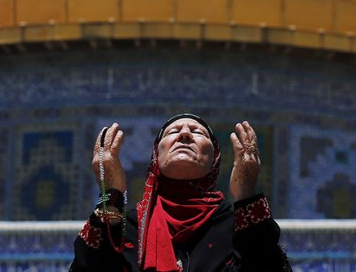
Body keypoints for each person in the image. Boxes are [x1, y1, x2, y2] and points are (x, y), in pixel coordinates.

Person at [70, 113, 291, 271]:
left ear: (214, 159)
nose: (185, 134)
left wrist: (246, 194)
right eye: (173, 131)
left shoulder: (236, 226)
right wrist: (111, 193)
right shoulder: (127, 226)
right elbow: (87, 266)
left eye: (197, 132)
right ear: (157, 155)